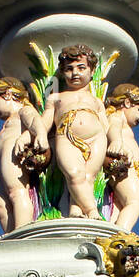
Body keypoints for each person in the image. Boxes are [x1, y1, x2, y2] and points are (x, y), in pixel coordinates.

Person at [39, 46, 109, 219]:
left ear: (92, 71)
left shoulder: (97, 101)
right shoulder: (55, 97)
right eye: (69, 69)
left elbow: (106, 125)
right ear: (62, 73)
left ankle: (76, 211)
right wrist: (39, 135)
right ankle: (93, 211)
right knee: (74, 174)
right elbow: (46, 119)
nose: (75, 73)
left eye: (81, 68)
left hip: (97, 137)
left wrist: (115, 142)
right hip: (66, 134)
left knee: (88, 176)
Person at [0, 77, 48, 233]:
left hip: (14, 159)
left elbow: (34, 121)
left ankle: (22, 231)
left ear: (8, 94)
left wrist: (40, 134)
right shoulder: (8, 121)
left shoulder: (22, 111)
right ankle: (10, 235)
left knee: (16, 192)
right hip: (1, 168)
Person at [104, 83, 139, 231]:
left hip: (128, 169)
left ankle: (113, 233)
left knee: (120, 206)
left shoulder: (126, 125)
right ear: (127, 103)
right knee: (136, 203)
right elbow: (113, 127)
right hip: (123, 166)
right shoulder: (117, 117)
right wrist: (117, 142)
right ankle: (122, 235)